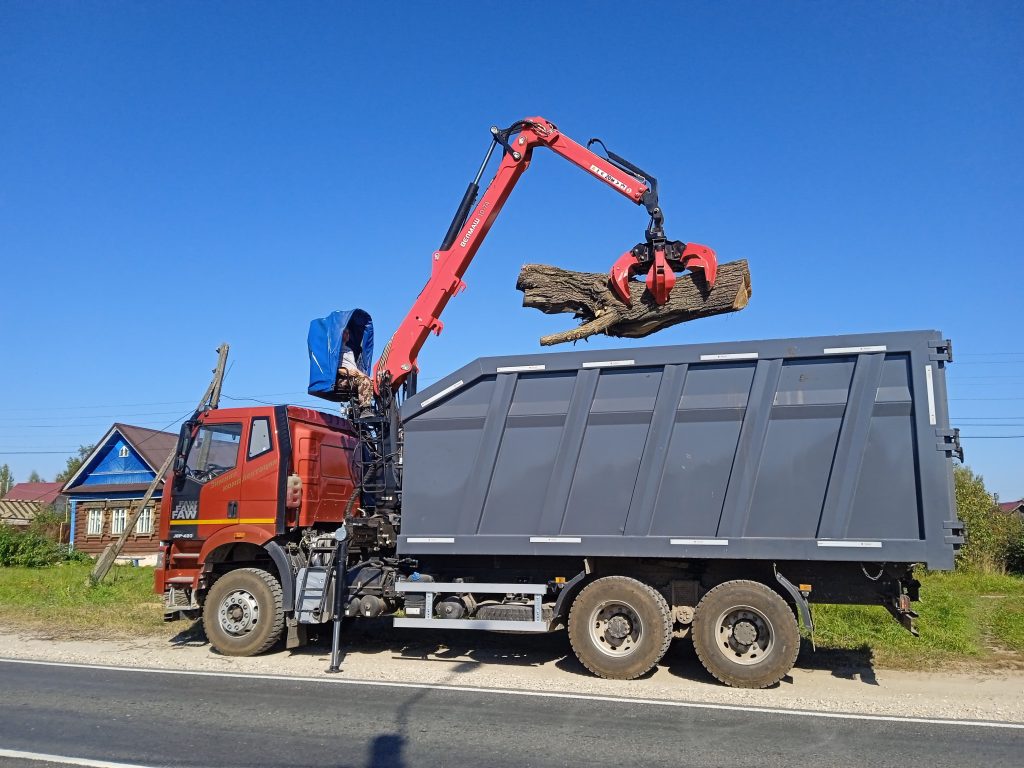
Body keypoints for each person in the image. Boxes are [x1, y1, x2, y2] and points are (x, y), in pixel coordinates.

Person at [339, 327, 375, 417]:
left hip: (352, 376)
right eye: (345, 332)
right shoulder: (335, 350)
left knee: (370, 381)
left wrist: (367, 377)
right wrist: (343, 371)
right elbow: (332, 368)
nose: (347, 334)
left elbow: (353, 368)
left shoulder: (349, 350)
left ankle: (362, 406)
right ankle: (365, 409)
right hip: (341, 378)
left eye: (348, 332)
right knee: (364, 381)